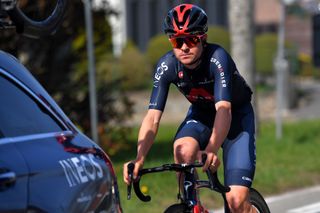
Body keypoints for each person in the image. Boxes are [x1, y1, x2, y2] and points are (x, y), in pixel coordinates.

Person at [123, 3, 256, 213]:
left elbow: (224, 110)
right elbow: (152, 118)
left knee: (236, 201)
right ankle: (194, 206)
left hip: (235, 117)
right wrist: (139, 158)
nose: (184, 47)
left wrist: (212, 148)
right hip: (202, 115)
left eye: (191, 39)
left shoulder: (218, 58)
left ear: (202, 38)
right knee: (183, 150)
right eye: (177, 41)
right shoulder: (166, 66)